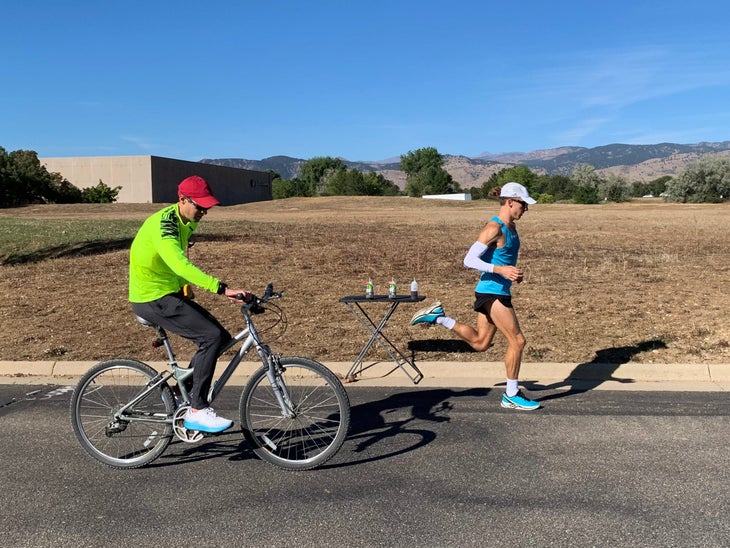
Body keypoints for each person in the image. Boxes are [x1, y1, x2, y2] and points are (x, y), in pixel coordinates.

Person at [129, 175, 251, 432]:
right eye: (200, 206)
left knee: (219, 337)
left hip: (167, 293)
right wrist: (222, 288)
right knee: (211, 337)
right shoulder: (165, 227)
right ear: (182, 200)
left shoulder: (184, 219)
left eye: (207, 206)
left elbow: (173, 264)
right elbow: (179, 264)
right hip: (151, 297)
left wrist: (183, 288)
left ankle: (178, 391)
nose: (204, 211)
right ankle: (197, 410)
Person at [410, 182, 540, 410]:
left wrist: (511, 273)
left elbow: (501, 259)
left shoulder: (511, 229)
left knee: (481, 343)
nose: (525, 209)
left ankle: (439, 317)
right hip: (492, 293)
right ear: (510, 202)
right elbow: (468, 260)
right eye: (523, 204)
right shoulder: (494, 228)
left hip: (496, 291)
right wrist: (501, 270)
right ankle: (511, 395)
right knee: (518, 341)